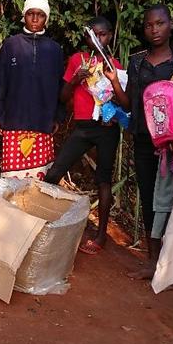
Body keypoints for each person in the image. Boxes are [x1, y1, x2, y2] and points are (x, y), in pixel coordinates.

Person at [43, 17, 128, 254]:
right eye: (93, 35)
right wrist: (76, 79)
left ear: (109, 36)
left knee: (103, 179)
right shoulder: (77, 60)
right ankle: (40, 219)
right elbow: (62, 96)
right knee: (56, 171)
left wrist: (115, 108)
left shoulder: (115, 65)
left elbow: (124, 102)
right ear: (86, 37)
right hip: (82, 127)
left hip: (106, 129)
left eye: (102, 35)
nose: (98, 39)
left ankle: (101, 235)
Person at [125, 5, 173, 278]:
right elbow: (131, 101)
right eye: (148, 25)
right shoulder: (137, 62)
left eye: (160, 23)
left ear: (171, 24)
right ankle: (153, 260)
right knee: (148, 199)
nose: (154, 30)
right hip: (144, 141)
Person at [0, 0, 65, 179]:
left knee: (39, 178)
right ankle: (11, 208)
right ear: (24, 16)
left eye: (40, 15)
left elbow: (59, 85)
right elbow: (1, 81)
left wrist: (57, 115)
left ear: (46, 19)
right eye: (30, 14)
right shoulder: (11, 45)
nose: (34, 19)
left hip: (43, 120)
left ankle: (35, 208)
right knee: (12, 179)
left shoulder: (54, 49)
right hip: (14, 119)